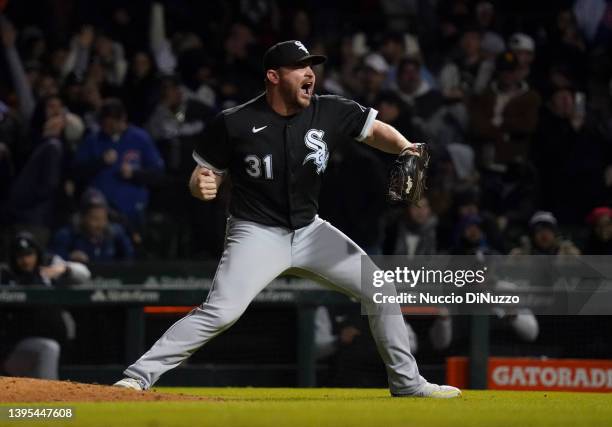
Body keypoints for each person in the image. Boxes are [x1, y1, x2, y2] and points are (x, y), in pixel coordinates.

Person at [114, 40, 461, 398]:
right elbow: (204, 174)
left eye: (312, 65)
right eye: (300, 66)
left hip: (311, 230)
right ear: (274, 76)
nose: (310, 72)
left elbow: (375, 131)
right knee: (221, 312)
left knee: (380, 289)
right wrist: (200, 184)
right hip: (256, 232)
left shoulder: (328, 110)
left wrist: (404, 146)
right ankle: (137, 376)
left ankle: (408, 384)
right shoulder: (235, 122)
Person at [0, 232, 90, 379]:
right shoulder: (5, 273)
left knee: (48, 351)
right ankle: (50, 401)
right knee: (48, 348)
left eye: (29, 254)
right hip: (14, 351)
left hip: (56, 344)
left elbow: (85, 274)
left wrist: (65, 269)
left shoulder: (49, 265)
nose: (25, 260)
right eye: (20, 256)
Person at [49, 188, 134, 264]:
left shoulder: (115, 233)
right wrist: (69, 257)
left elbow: (130, 258)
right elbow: (52, 258)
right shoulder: (67, 234)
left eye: (103, 219)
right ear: (82, 218)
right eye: (95, 219)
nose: (99, 224)